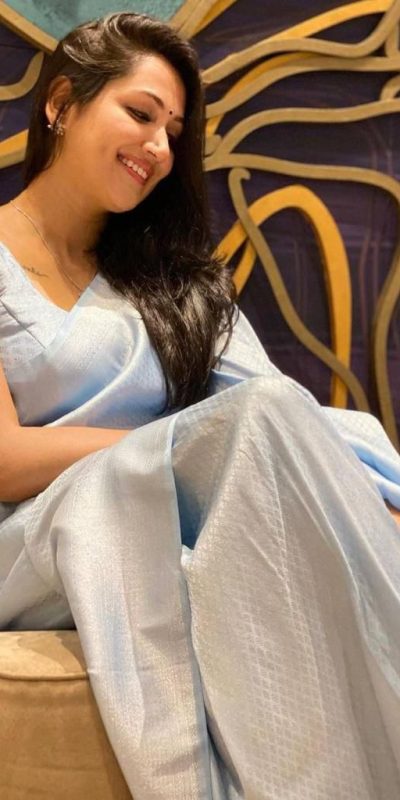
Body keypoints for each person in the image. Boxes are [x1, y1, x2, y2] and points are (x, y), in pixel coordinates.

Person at [0, 11, 399, 799]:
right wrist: (178, 442)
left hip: (178, 519)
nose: (158, 147)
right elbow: (5, 461)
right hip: (35, 539)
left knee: (300, 429)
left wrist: (365, 496)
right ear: (61, 104)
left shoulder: (175, 282)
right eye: (141, 113)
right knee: (253, 426)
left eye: (174, 133)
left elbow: (278, 414)